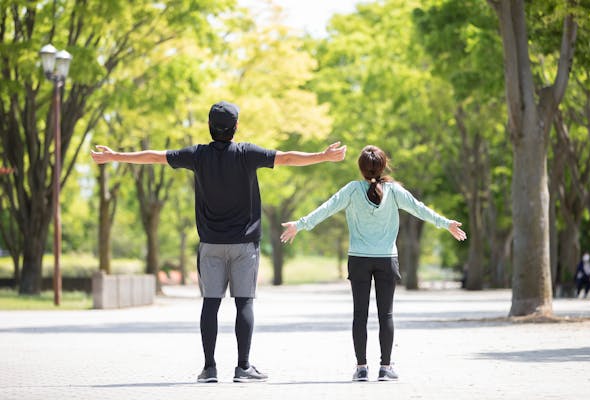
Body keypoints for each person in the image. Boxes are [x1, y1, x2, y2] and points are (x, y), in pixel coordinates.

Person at [91, 101, 346, 383]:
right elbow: (286, 158)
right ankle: (243, 367)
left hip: (210, 244)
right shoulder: (247, 153)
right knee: (244, 303)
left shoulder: (197, 155)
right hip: (244, 245)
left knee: (210, 304)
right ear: (235, 128)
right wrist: (323, 156)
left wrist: (115, 156)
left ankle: (209, 369)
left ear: (210, 127)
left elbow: (154, 157)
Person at [280, 145, 466, 382]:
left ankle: (361, 368)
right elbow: (420, 210)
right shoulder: (395, 192)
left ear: (360, 168)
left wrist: (300, 224)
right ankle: (385, 368)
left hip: (358, 260)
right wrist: (446, 223)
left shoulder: (351, 190)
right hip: (387, 259)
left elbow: (326, 209)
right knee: (385, 315)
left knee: (360, 315)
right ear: (383, 165)